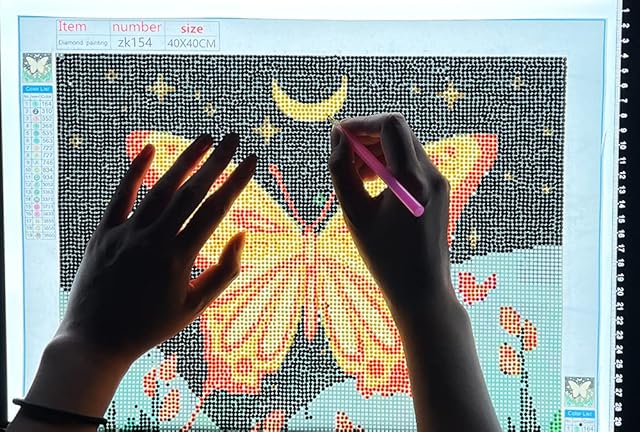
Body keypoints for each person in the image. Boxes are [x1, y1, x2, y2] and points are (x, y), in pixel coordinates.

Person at [6, 114, 501, 432]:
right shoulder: (405, 273)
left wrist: (88, 350)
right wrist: (427, 305)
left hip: (258, 294)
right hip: (360, 298)